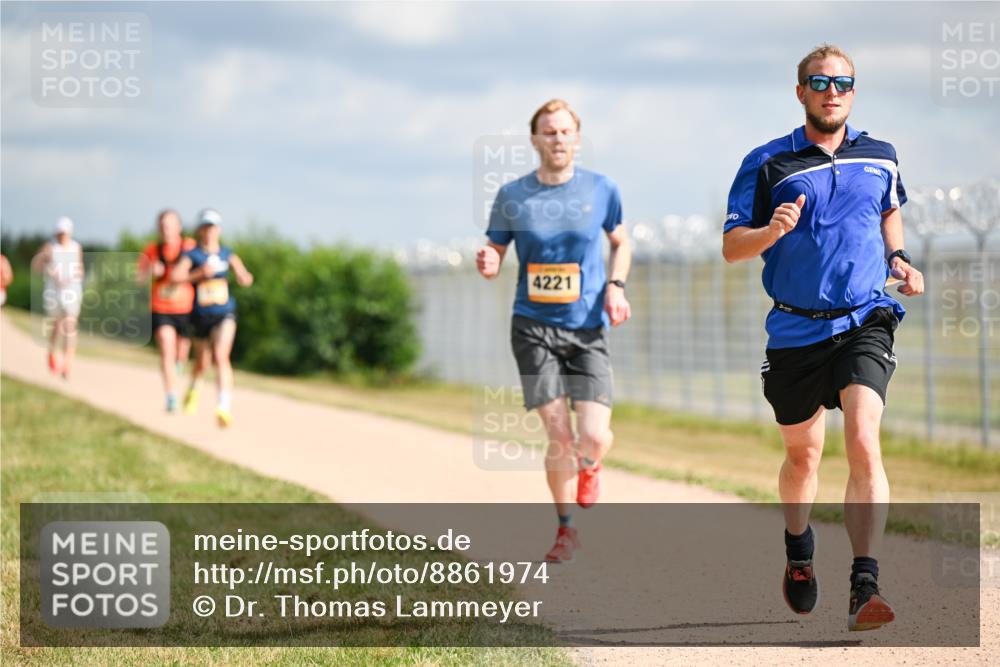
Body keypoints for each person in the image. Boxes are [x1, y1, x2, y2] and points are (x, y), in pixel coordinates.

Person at [722, 44, 924, 631]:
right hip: (794, 329)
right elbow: (732, 246)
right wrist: (770, 230)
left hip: (864, 319)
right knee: (802, 454)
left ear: (853, 91)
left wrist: (900, 257)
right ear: (801, 92)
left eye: (843, 82)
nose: (831, 90)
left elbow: (889, 208)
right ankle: (799, 550)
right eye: (819, 81)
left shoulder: (881, 155)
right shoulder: (768, 162)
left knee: (863, 438)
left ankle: (866, 584)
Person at [476, 99, 632, 564]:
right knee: (558, 435)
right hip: (533, 328)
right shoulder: (512, 195)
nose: (558, 139)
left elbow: (621, 240)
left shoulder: (602, 189)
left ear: (577, 138)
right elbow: (493, 251)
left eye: (565, 131)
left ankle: (592, 462)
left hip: (587, 328)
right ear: (534, 140)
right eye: (549, 132)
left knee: (595, 436)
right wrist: (487, 261)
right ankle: (566, 531)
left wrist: (616, 286)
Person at [171, 209, 253, 427]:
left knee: (221, 355)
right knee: (202, 363)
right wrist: (199, 274)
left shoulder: (228, 254)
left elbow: (243, 274)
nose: (209, 231)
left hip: (224, 313)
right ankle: (194, 388)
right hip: (200, 316)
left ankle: (223, 407)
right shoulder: (193, 255)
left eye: (213, 227)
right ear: (200, 230)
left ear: (219, 230)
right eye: (206, 227)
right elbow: (176, 277)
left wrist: (244, 277)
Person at [138, 209, 197, 413]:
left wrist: (182, 276)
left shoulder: (190, 247)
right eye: (163, 225)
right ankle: (171, 395)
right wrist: (150, 273)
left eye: (170, 225)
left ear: (179, 227)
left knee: (181, 353)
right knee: (166, 346)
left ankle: (179, 364)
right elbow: (139, 280)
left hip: (186, 308)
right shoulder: (151, 251)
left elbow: (201, 273)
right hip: (161, 308)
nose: (167, 229)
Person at [31, 217, 84, 379]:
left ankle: (67, 364)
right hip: (54, 293)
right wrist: (45, 260)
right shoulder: (50, 248)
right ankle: (52, 352)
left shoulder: (76, 248)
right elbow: (36, 267)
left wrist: (74, 275)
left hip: (72, 291)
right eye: (60, 233)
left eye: (65, 233)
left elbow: (80, 269)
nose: (62, 236)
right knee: (57, 326)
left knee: (70, 326)